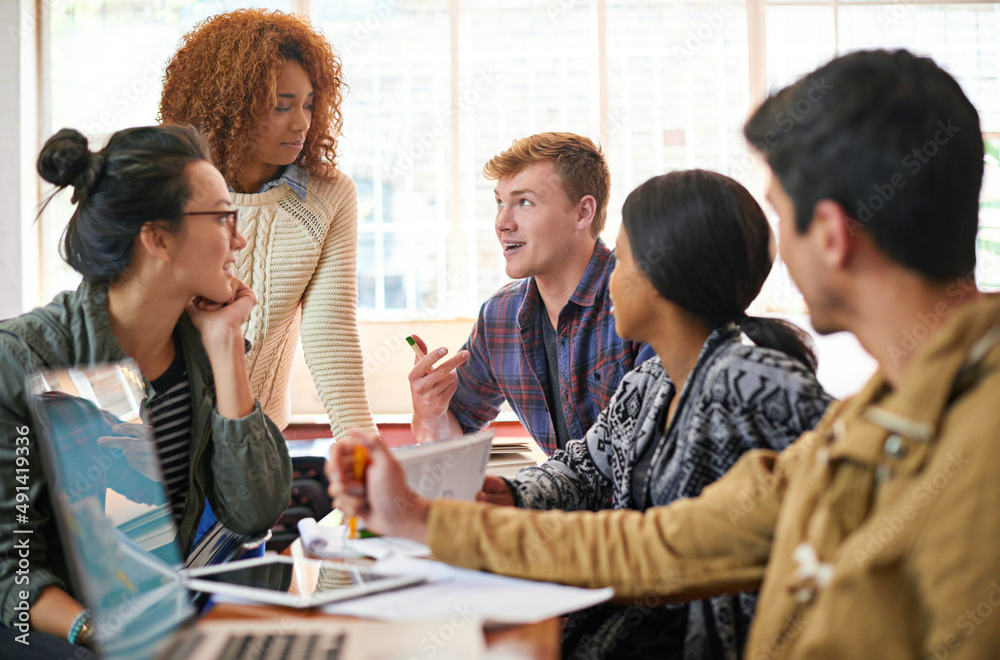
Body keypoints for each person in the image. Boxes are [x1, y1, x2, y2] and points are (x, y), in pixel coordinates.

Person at [330, 49, 1000, 658]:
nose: (775, 254)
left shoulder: (975, 440)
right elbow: (659, 543)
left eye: (779, 213)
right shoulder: (870, 418)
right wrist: (424, 516)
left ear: (828, 235)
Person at [481, 168, 831, 658]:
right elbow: (583, 469)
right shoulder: (649, 382)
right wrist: (507, 494)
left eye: (621, 261)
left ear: (667, 275)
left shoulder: (755, 384)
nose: (609, 281)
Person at [0, 125, 292, 656]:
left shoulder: (201, 347)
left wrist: (225, 346)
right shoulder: (21, 360)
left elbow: (254, 514)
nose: (240, 238)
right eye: (223, 217)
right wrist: (102, 634)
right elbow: (9, 569)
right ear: (157, 237)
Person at [159, 9, 376, 435]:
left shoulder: (328, 196)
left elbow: (329, 330)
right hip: (158, 439)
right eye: (281, 106)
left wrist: (364, 448)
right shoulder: (167, 189)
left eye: (310, 104)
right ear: (228, 108)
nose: (302, 123)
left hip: (258, 443)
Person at [410, 132, 655, 454]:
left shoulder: (648, 301)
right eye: (500, 202)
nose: (502, 222)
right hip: (557, 499)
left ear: (583, 213)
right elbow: (449, 440)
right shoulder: (501, 315)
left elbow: (661, 455)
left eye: (524, 202)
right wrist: (429, 412)